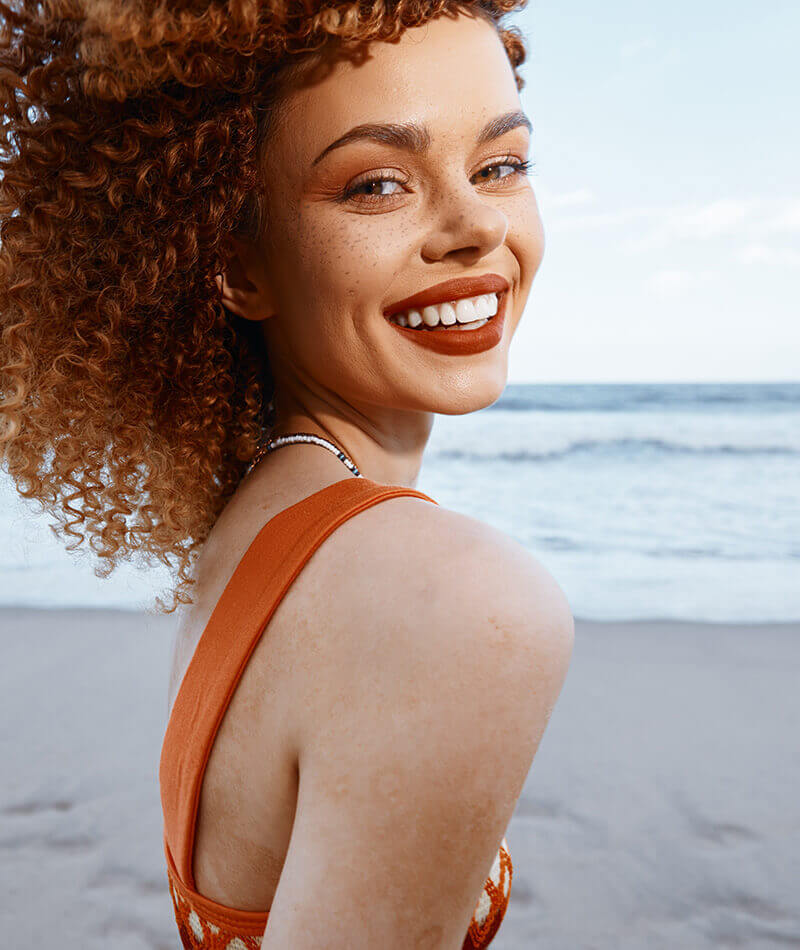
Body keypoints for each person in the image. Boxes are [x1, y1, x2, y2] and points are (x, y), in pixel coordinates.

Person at [0, 1, 574, 947]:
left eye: (500, 165)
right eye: (377, 185)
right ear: (236, 264)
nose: (474, 225)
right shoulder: (456, 602)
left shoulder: (260, 522)